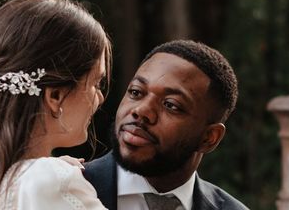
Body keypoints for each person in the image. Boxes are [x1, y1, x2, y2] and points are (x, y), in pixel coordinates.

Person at [0, 0, 111, 210]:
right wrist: (54, 177)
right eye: (96, 83)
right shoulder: (50, 182)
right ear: (55, 96)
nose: (100, 98)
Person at [84, 40, 248, 210]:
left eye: (171, 105)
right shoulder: (66, 188)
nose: (141, 110)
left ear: (209, 138)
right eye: (136, 92)